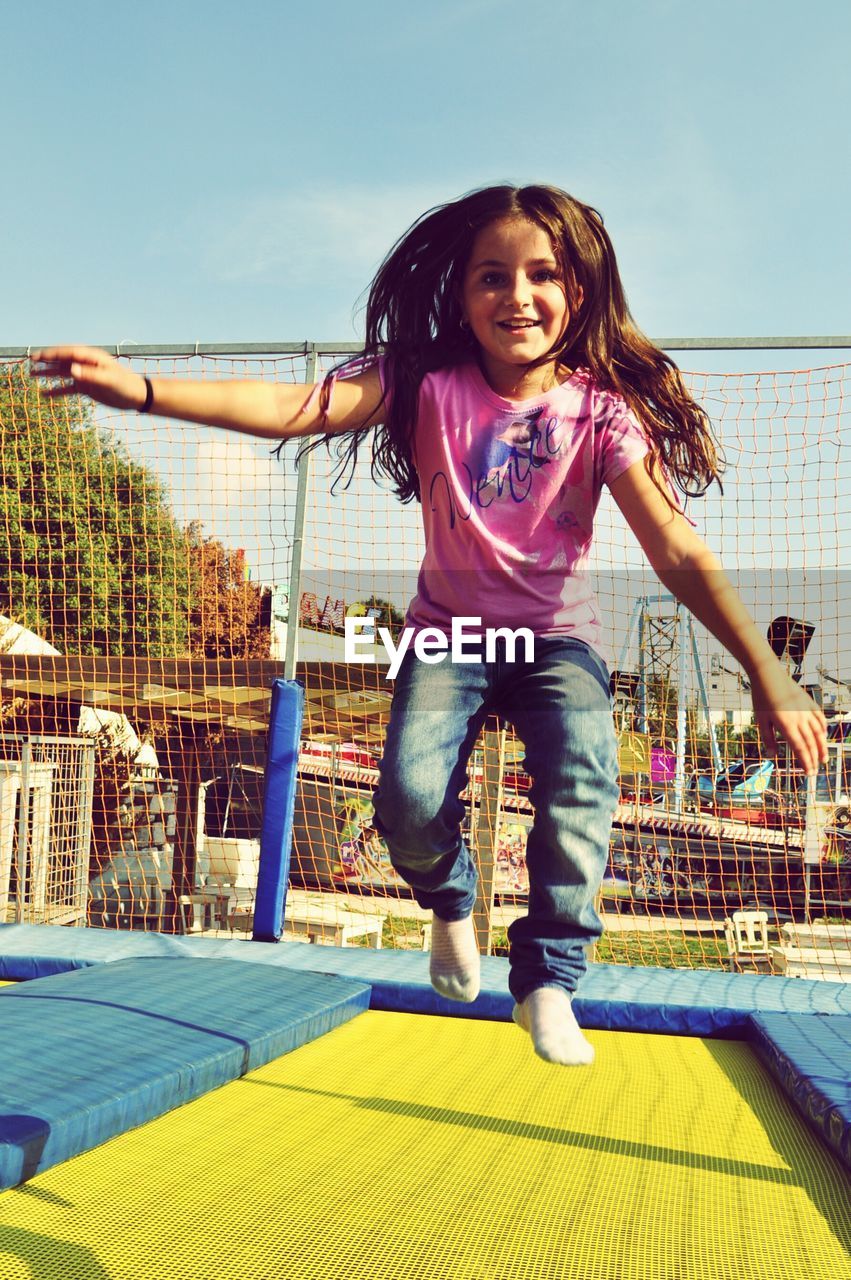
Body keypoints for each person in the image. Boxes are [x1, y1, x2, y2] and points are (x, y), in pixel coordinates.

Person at [29, 183, 829, 1066]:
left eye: (541, 276)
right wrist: (144, 390)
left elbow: (674, 547)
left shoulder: (599, 412)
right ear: (460, 293)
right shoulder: (425, 385)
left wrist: (765, 670)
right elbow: (295, 408)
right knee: (407, 805)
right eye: (491, 277)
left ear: (582, 290)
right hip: (449, 633)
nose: (516, 297)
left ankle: (549, 978)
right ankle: (451, 904)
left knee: (582, 787)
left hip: (558, 641)